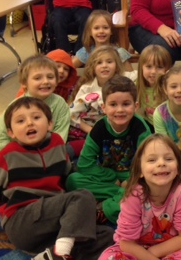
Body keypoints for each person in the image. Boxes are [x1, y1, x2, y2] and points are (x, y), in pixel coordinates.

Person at [0, 97, 113, 260]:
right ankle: (60, 257)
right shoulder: (6, 155)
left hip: (50, 225)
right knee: (82, 197)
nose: (29, 123)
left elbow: (66, 175)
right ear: (11, 132)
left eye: (36, 117)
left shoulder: (57, 143)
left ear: (50, 124)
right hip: (22, 221)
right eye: (20, 121)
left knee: (107, 236)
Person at [66, 75, 153, 224]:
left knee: (146, 189)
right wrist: (112, 178)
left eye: (126, 104)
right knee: (72, 180)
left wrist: (129, 180)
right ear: (104, 108)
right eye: (113, 104)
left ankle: (104, 209)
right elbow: (85, 164)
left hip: (134, 178)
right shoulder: (98, 129)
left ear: (136, 106)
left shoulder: (142, 129)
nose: (120, 110)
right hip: (107, 177)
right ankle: (120, 199)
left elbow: (149, 163)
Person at [0, 54, 71, 171]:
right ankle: (29, 172)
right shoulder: (15, 106)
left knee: (69, 151)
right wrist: (19, 154)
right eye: (37, 78)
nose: (45, 81)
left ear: (57, 81)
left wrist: (43, 153)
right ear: (24, 83)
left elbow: (61, 135)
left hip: (47, 151)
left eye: (50, 77)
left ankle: (26, 172)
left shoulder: (60, 103)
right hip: (18, 152)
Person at [68, 45, 124, 140]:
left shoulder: (123, 87)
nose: (104, 66)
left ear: (117, 66)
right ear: (92, 67)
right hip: (86, 132)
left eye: (109, 62)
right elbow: (71, 115)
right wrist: (92, 131)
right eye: (99, 62)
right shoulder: (86, 89)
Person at [72, 9, 135, 75]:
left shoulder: (119, 53)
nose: (101, 31)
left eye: (105, 27)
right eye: (96, 28)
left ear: (111, 31)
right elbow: (68, 67)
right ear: (90, 32)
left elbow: (131, 76)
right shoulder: (86, 52)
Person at [136, 44, 171, 126]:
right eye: (149, 66)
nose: (153, 71)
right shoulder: (136, 86)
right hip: (149, 126)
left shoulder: (170, 88)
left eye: (159, 67)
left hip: (167, 126)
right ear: (141, 67)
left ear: (167, 69)